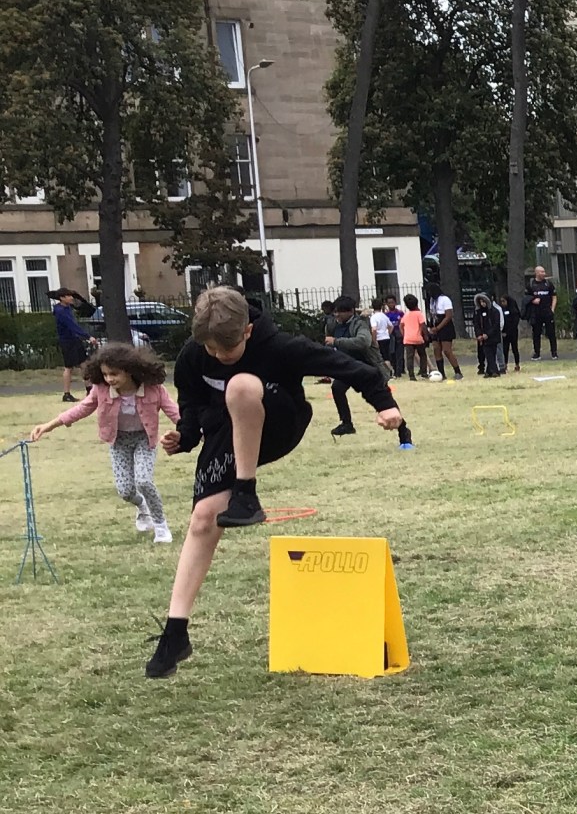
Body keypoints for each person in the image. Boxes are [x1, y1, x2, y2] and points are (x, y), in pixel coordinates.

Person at [145, 287, 408, 679]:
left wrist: (386, 405)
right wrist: (184, 436)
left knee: (240, 385)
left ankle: (246, 493)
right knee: (202, 519)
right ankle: (175, 633)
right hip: (227, 433)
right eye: (211, 350)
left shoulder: (282, 346)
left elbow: (356, 370)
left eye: (226, 350)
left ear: (248, 331)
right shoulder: (193, 355)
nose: (217, 357)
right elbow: (193, 405)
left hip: (280, 421)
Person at [30, 343, 179, 542]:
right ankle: (142, 506)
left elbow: (174, 413)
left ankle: (161, 526)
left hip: (144, 439)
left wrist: (199, 432)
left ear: (129, 370)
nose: (109, 379)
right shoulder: (101, 390)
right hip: (118, 441)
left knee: (144, 481)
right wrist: (49, 425)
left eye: (114, 374)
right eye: (105, 374)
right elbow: (81, 409)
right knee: (125, 491)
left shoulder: (153, 389)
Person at [326, 296, 393, 436]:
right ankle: (346, 424)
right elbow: (328, 343)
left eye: (340, 312)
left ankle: (403, 431)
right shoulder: (333, 325)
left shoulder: (360, 324)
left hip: (368, 368)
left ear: (350, 311)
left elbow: (363, 342)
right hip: (347, 367)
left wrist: (336, 341)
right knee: (337, 388)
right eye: (335, 312)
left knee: (383, 400)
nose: (336, 315)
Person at [53, 288, 97, 401]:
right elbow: (72, 326)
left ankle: (89, 389)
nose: (71, 298)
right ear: (62, 298)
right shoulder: (61, 311)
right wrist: (88, 336)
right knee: (69, 367)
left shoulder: (68, 308)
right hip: (67, 341)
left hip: (75, 340)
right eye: (68, 296)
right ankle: (66, 394)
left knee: (84, 364)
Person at [426, 284, 463, 380]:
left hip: (445, 327)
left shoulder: (445, 299)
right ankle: (441, 373)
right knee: (436, 349)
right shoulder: (432, 301)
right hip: (435, 326)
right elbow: (432, 314)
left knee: (447, 350)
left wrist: (438, 327)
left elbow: (448, 316)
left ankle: (457, 371)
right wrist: (431, 327)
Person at [524, 266, 558, 360]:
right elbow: (526, 298)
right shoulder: (531, 284)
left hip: (547, 312)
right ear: (537, 273)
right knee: (536, 333)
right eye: (542, 272)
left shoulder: (548, 284)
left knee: (551, 333)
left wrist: (552, 309)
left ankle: (554, 352)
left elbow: (554, 296)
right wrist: (533, 300)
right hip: (536, 313)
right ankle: (537, 353)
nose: (544, 273)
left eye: (544, 271)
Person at [401, 294, 429, 381]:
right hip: (418, 338)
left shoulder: (406, 315)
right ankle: (423, 372)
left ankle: (411, 375)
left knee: (409, 357)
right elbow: (423, 325)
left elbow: (401, 325)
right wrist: (426, 335)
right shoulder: (419, 314)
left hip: (408, 339)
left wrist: (404, 334)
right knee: (422, 355)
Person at [473, 294, 501, 377]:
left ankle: (491, 371)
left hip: (493, 336)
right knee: (488, 353)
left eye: (484, 301)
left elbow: (496, 325)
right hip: (483, 337)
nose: (482, 304)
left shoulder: (495, 311)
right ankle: (492, 371)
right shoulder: (478, 312)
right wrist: (479, 334)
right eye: (480, 302)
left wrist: (488, 334)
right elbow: (476, 324)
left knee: (491, 354)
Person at [384, 295, 404, 378]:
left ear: (395, 303)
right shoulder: (386, 315)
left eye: (392, 302)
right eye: (389, 303)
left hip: (399, 334)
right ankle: (394, 369)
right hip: (391, 335)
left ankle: (400, 371)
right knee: (392, 353)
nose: (391, 304)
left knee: (400, 353)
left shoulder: (400, 313)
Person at [500, 295, 521, 371]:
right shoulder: (502, 310)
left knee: (515, 348)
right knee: (505, 349)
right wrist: (503, 331)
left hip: (513, 332)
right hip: (505, 333)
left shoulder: (514, 310)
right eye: (501, 301)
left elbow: (515, 323)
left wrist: (508, 332)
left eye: (504, 301)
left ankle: (517, 364)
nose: (502, 303)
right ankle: (505, 364)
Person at [370, 297, 393, 365]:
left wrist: (374, 340)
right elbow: (391, 326)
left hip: (379, 338)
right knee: (386, 357)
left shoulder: (373, 317)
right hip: (386, 337)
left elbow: (374, 329)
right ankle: (389, 368)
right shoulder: (384, 316)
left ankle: (386, 369)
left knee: (380, 357)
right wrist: (388, 333)